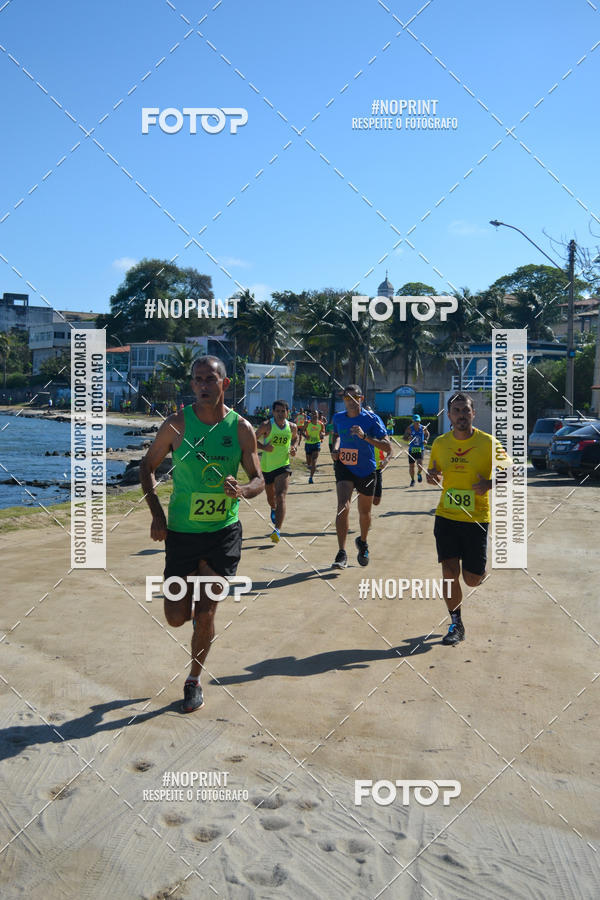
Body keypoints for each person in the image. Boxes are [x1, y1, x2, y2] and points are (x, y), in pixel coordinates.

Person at [140, 356, 264, 712]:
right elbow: (146, 467)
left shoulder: (240, 428)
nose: (204, 385)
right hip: (181, 532)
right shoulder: (177, 425)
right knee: (176, 616)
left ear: (225, 384)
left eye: (211, 379)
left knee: (207, 611)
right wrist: (157, 514)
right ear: (192, 385)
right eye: (197, 380)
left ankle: (194, 679)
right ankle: (194, 622)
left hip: (223, 532)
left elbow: (258, 478)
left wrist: (242, 489)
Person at [426, 392, 510, 646]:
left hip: (476, 518)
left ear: (473, 413)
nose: (461, 415)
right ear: (449, 416)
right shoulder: (440, 443)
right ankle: (456, 623)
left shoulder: (488, 443)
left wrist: (490, 482)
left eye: (466, 410)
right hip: (447, 516)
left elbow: (511, 470)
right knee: (449, 572)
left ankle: (479, 571)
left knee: (471, 579)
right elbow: (433, 470)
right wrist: (431, 476)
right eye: (457, 411)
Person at [331, 385, 391, 568]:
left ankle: (362, 542)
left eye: (353, 397)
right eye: (346, 398)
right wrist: (334, 449)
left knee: (365, 513)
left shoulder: (372, 419)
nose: (349, 401)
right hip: (344, 467)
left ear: (361, 398)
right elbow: (336, 435)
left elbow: (387, 447)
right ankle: (341, 553)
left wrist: (365, 437)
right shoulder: (338, 418)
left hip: (366, 469)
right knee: (343, 506)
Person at [255, 399, 298, 542]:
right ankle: (273, 509)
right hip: (267, 467)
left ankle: (277, 530)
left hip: (283, 466)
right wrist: (263, 447)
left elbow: (295, 439)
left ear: (287, 412)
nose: (280, 414)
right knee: (271, 498)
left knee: (281, 496)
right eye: (277, 411)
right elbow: (251, 439)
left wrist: (294, 448)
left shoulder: (292, 427)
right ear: (273, 412)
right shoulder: (266, 425)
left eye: (283, 411)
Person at [404, 414, 429, 486]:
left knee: (420, 464)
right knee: (411, 466)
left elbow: (427, 434)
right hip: (412, 449)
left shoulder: (423, 428)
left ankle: (419, 473)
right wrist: (408, 438)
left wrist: (425, 440)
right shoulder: (409, 428)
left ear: (420, 421)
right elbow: (404, 437)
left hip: (420, 448)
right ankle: (412, 480)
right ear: (413, 421)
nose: (417, 423)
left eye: (418, 421)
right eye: (415, 421)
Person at [304, 410, 325, 483]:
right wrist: (305, 436)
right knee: (308, 462)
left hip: (316, 443)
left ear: (318, 415)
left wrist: (322, 434)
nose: (314, 416)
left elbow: (323, 432)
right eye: (313, 414)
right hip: (308, 444)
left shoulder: (321, 424)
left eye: (315, 414)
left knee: (314, 461)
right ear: (311, 415)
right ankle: (310, 467)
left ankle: (311, 477)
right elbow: (302, 431)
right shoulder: (307, 423)